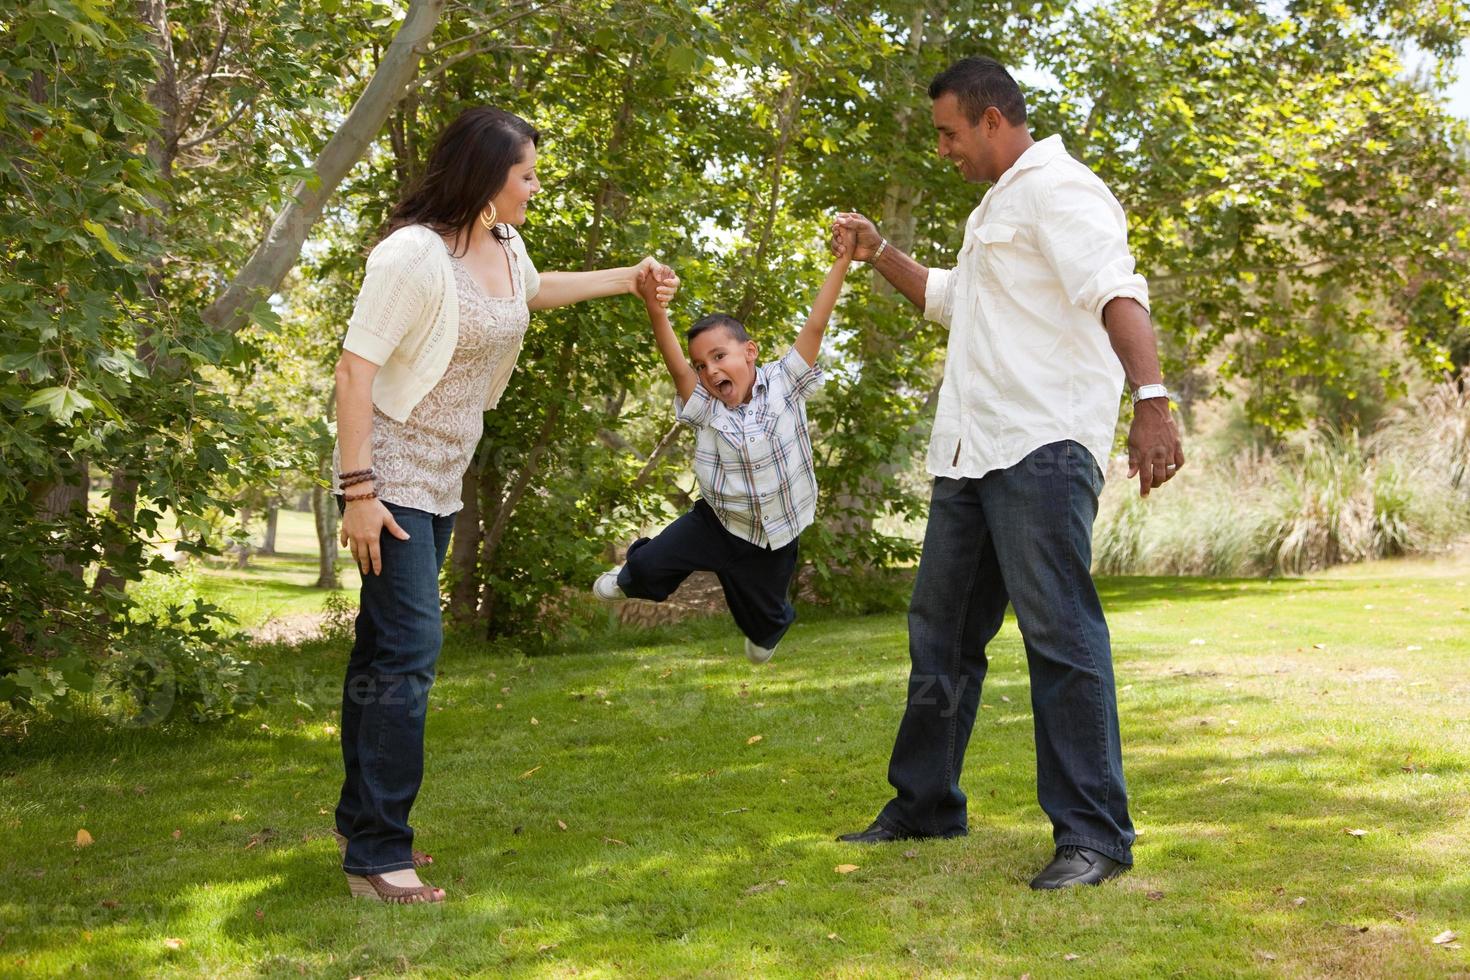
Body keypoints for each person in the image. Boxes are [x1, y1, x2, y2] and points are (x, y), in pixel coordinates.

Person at [830, 57, 1184, 889]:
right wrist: (879, 251)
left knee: (1060, 637)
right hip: (971, 454)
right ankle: (924, 805)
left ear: (993, 120)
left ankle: (1094, 836)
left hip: (1040, 450)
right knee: (943, 637)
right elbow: (951, 299)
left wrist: (1153, 399)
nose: (944, 149)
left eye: (951, 132)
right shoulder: (997, 206)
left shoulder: (1060, 189)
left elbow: (1115, 291)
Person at [331, 106, 678, 903]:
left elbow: (536, 289)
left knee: (381, 653)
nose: (534, 186)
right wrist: (358, 491)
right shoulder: (411, 256)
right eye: (526, 174)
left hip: (444, 475)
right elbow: (354, 371)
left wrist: (630, 278)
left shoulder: (503, 245)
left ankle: (359, 821)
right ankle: (381, 856)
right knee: (410, 654)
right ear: (487, 176)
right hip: (387, 480)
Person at [591, 227, 858, 663]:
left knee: (766, 620)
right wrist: (655, 308)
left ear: (750, 352)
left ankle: (766, 631)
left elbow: (816, 322)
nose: (710, 369)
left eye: (719, 356)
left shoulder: (785, 382)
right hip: (717, 523)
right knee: (648, 567)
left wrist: (842, 261)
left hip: (776, 532)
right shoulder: (705, 405)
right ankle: (629, 575)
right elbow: (675, 364)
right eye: (703, 364)